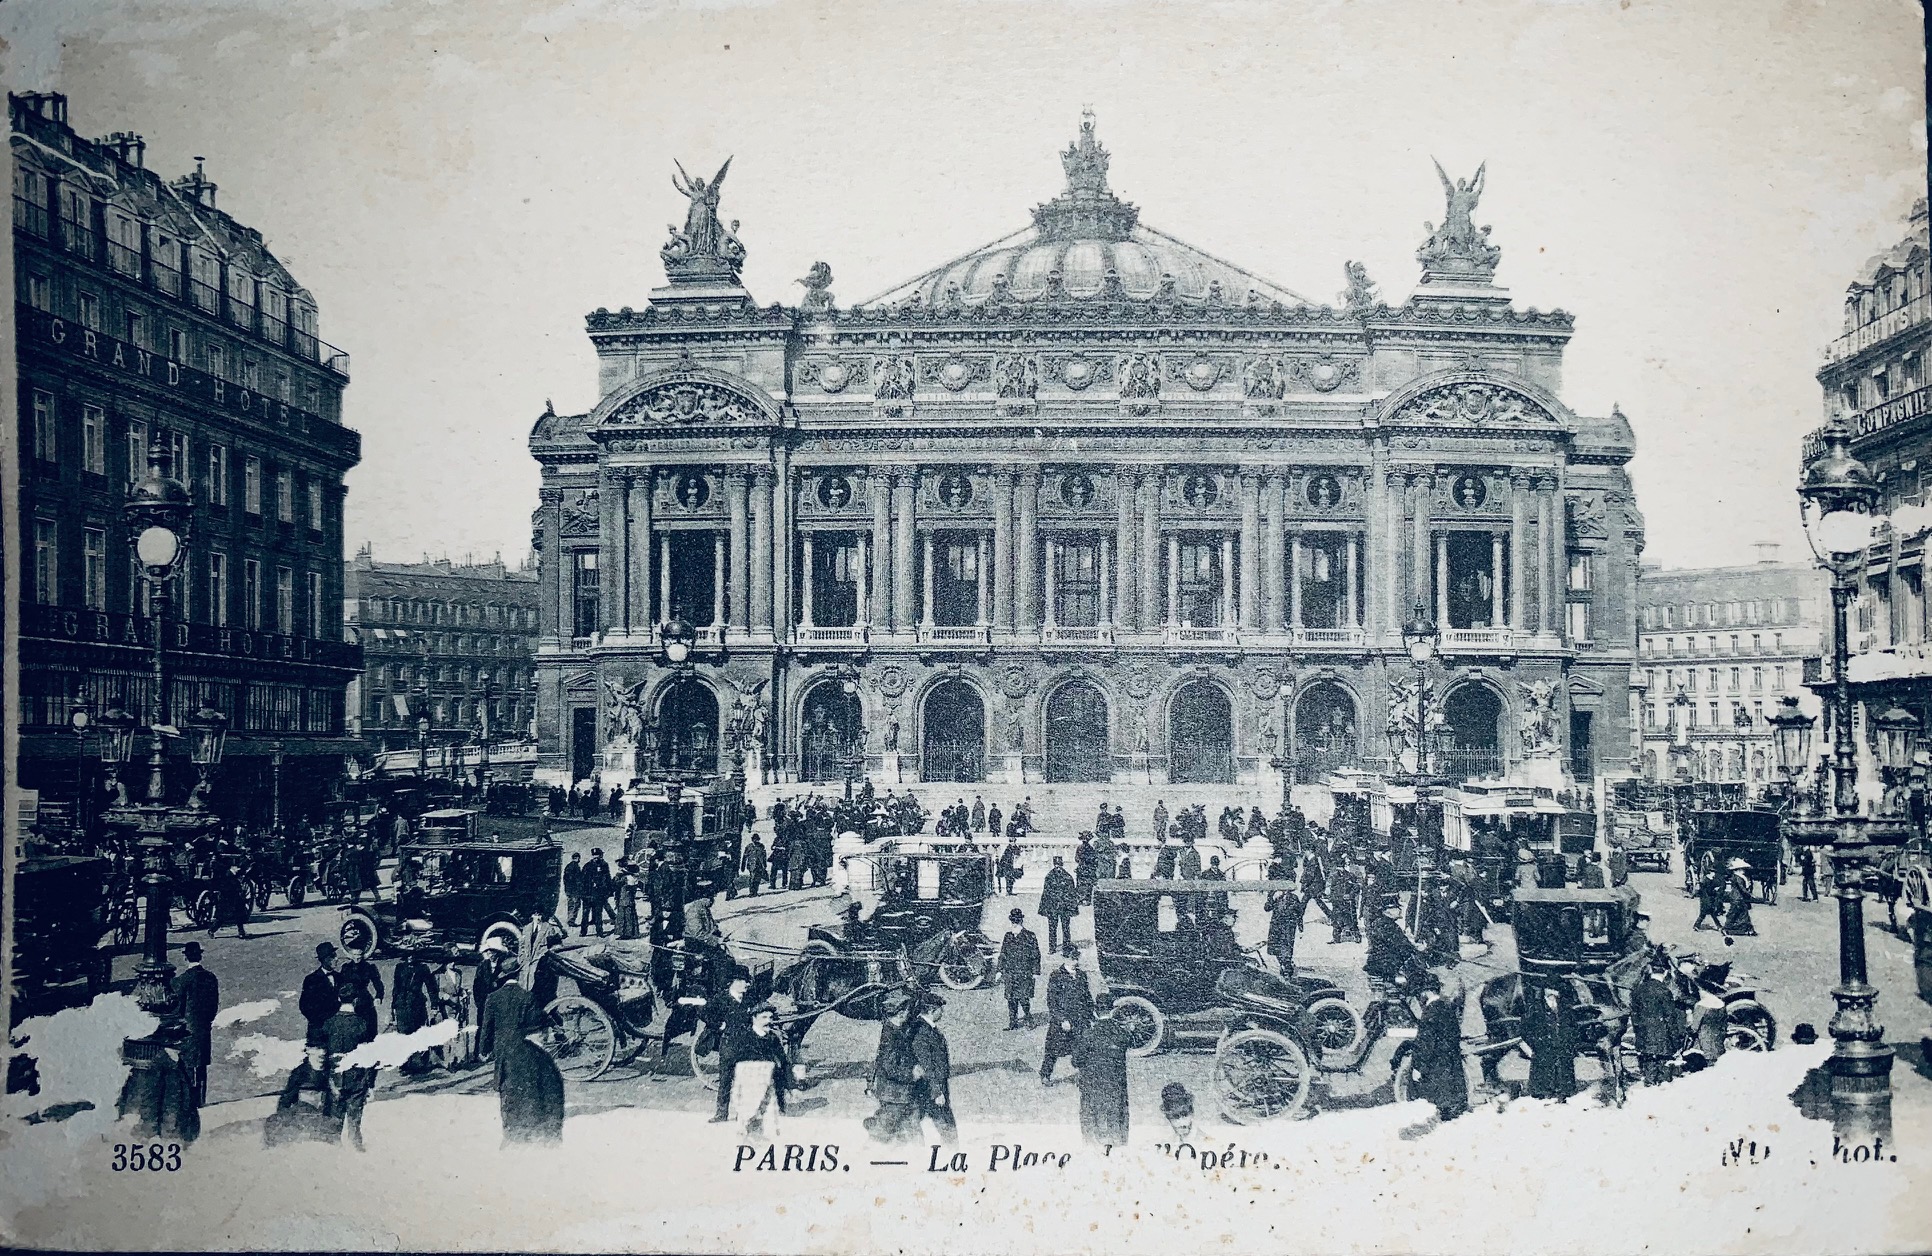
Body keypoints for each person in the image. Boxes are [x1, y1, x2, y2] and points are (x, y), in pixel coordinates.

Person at [1071, 994, 1132, 1146]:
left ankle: (1090, 1144)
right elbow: (1127, 1041)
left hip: (1092, 1084)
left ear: (1095, 1012)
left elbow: (1076, 1061)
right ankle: (1119, 1144)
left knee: (1089, 1116)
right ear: (1112, 1011)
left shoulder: (1088, 1035)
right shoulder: (1122, 1034)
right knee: (1118, 1117)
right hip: (1115, 1085)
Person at [1409, 970, 1468, 1121]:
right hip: (1454, 1072)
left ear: (1426, 992)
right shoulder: (1447, 1007)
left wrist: (1418, 1067)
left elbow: (1425, 1043)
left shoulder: (1430, 1012)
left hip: (1438, 1073)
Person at [727, 1003, 792, 1140]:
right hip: (749, 1087)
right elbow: (733, 1063)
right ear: (754, 1018)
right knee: (748, 1118)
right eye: (764, 1017)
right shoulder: (743, 1038)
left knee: (769, 1123)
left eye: (770, 1017)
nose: (768, 1021)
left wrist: (791, 1086)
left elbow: (784, 1062)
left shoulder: (773, 1038)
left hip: (769, 1086)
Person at [865, 993, 921, 1143]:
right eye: (907, 1011)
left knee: (908, 1131)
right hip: (894, 1094)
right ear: (901, 1013)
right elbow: (889, 1066)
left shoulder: (896, 1030)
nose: (909, 1014)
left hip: (899, 1093)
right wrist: (911, 1074)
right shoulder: (891, 1035)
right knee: (883, 1135)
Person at [170, 941, 220, 1109]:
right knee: (202, 1065)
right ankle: (201, 1100)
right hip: (204, 1027)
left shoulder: (182, 980)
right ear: (200, 956)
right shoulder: (211, 977)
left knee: (188, 1066)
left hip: (187, 1030)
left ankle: (189, 1102)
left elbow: (177, 1008)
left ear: (185, 957)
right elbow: (214, 1004)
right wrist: (207, 1020)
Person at [323, 994, 375, 1151]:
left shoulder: (329, 1023)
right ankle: (356, 1147)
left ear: (339, 999)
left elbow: (323, 1053)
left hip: (335, 1077)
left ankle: (333, 1149)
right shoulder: (362, 1024)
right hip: (356, 1077)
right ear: (356, 1000)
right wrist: (370, 1084)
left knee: (334, 1120)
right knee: (354, 1119)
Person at [498, 1028, 566, 1146]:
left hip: (515, 1130)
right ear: (540, 1034)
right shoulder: (544, 1059)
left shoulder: (509, 1053)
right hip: (539, 1132)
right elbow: (555, 1098)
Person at [1630, 951, 1688, 1085]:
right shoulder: (1664, 991)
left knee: (1649, 1074)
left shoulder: (1637, 990)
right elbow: (1670, 1018)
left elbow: (1634, 1015)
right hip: (1663, 1040)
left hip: (1644, 1038)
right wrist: (1676, 1041)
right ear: (1666, 973)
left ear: (1650, 970)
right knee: (1664, 1079)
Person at [708, 969, 757, 1123]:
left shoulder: (748, 999)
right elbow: (705, 1013)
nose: (747, 984)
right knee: (725, 1080)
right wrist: (718, 1025)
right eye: (743, 981)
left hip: (745, 1045)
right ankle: (721, 1114)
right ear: (734, 982)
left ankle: (743, 1114)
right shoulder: (721, 999)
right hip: (728, 1045)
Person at [908, 994, 957, 1146]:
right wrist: (937, 1091)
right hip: (931, 1087)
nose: (942, 1012)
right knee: (945, 1124)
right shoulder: (922, 1031)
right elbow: (926, 1064)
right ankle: (954, 1154)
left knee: (914, 1121)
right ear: (932, 1010)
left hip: (930, 1085)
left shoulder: (925, 1027)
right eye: (940, 1009)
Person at [1041, 944, 1093, 1084]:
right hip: (1062, 1021)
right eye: (1072, 959)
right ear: (1064, 958)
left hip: (1080, 1018)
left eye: (1076, 958)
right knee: (1053, 1049)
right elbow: (1052, 1002)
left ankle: (1084, 1076)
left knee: (1082, 1048)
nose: (1075, 962)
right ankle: (1045, 1074)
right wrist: (1062, 1019)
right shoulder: (1056, 976)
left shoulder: (1082, 975)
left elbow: (1087, 997)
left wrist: (1091, 1015)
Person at [1524, 981, 1580, 1100]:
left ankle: (1564, 1092)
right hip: (1543, 1044)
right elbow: (1526, 1027)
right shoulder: (1535, 1007)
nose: (1552, 993)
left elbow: (1572, 1024)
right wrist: (1535, 1041)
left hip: (1561, 1042)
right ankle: (1543, 1093)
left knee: (1563, 1067)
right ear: (1545, 991)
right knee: (1544, 1067)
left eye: (1555, 990)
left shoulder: (1564, 1007)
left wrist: (1569, 1039)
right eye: (1549, 990)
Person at [999, 908, 1043, 1030]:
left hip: (1024, 973)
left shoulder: (1030, 936)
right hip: (1010, 973)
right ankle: (1013, 1023)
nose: (1014, 925)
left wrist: (1035, 971)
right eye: (1013, 922)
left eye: (1016, 922)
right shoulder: (1008, 936)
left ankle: (1029, 1020)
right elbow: (1003, 954)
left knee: (1024, 999)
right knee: (1011, 999)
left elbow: (1036, 955)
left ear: (1021, 922)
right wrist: (999, 970)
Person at [335, 951, 386, 1044]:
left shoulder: (369, 967)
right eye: (355, 955)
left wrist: (379, 996)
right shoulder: (346, 967)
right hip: (349, 1000)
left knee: (369, 1028)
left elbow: (378, 984)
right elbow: (340, 984)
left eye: (359, 955)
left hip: (365, 1000)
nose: (357, 958)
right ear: (350, 955)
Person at [300, 943, 342, 1048]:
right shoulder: (311, 980)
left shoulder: (340, 977)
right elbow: (305, 1007)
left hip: (337, 1031)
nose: (336, 959)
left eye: (336, 955)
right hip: (318, 1032)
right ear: (324, 959)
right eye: (333, 956)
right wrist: (321, 1022)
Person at [1039, 856, 1078, 953]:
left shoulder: (1055, 876)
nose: (1058, 867)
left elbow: (1071, 893)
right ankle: (1056, 947)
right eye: (1057, 865)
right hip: (1058, 907)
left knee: (1062, 928)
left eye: (1058, 865)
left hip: (1059, 907)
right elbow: (1046, 893)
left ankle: (1061, 947)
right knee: (1057, 928)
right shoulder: (1063, 876)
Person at [1266, 885, 1301, 975]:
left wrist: (1299, 925)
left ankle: (1287, 967)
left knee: (1286, 948)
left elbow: (1299, 912)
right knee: (1276, 948)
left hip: (1287, 927)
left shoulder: (1293, 897)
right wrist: (1272, 898)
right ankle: (1283, 965)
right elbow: (1267, 908)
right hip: (1276, 926)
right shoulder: (1275, 896)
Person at [580, 848, 614, 935]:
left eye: (597, 856)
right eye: (595, 856)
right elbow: (582, 880)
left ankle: (599, 931)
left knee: (598, 914)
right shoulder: (587, 866)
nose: (596, 858)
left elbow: (608, 879)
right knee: (585, 914)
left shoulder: (604, 865)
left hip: (599, 894)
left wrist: (609, 891)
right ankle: (583, 931)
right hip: (588, 894)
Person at [1721, 859, 1757, 936]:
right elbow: (1742, 888)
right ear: (1738, 870)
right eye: (1742, 869)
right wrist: (1750, 894)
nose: (1743, 870)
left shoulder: (1738, 877)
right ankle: (1727, 928)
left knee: (1742, 913)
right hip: (1737, 898)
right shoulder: (1738, 878)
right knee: (1735, 913)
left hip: (1737, 898)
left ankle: (1746, 929)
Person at [613, 859, 642, 940]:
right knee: (630, 915)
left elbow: (617, 884)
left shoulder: (627, 878)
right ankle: (633, 933)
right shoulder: (632, 877)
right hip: (628, 899)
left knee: (625, 916)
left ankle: (626, 934)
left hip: (625, 899)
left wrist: (618, 875)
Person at [1692, 865, 1724, 932]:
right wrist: (1714, 890)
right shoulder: (1706, 880)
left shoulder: (1710, 879)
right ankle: (1718, 926)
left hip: (1708, 899)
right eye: (1713, 872)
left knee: (1709, 913)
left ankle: (1697, 926)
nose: (1714, 874)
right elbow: (1707, 890)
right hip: (1706, 899)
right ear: (1710, 872)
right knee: (1705, 913)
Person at [1074, 833, 1099, 906]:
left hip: (1081, 868)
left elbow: (1076, 859)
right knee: (1088, 884)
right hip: (1088, 869)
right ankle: (1086, 899)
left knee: (1080, 884)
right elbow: (1094, 859)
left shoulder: (1079, 847)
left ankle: (1080, 899)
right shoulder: (1091, 848)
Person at [740, 833, 768, 897]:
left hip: (760, 865)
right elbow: (745, 857)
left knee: (757, 879)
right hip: (752, 865)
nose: (756, 841)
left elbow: (764, 856)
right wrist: (743, 866)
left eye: (757, 839)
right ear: (752, 840)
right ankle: (751, 892)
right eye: (754, 839)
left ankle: (755, 892)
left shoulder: (761, 846)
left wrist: (764, 865)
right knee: (752, 878)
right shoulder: (749, 847)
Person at [561, 852, 584, 928]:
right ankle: (571, 920)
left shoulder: (568, 866)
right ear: (577, 858)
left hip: (568, 890)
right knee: (576, 905)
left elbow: (565, 879)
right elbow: (577, 879)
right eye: (579, 858)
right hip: (575, 890)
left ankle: (570, 919)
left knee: (570, 905)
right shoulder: (575, 866)